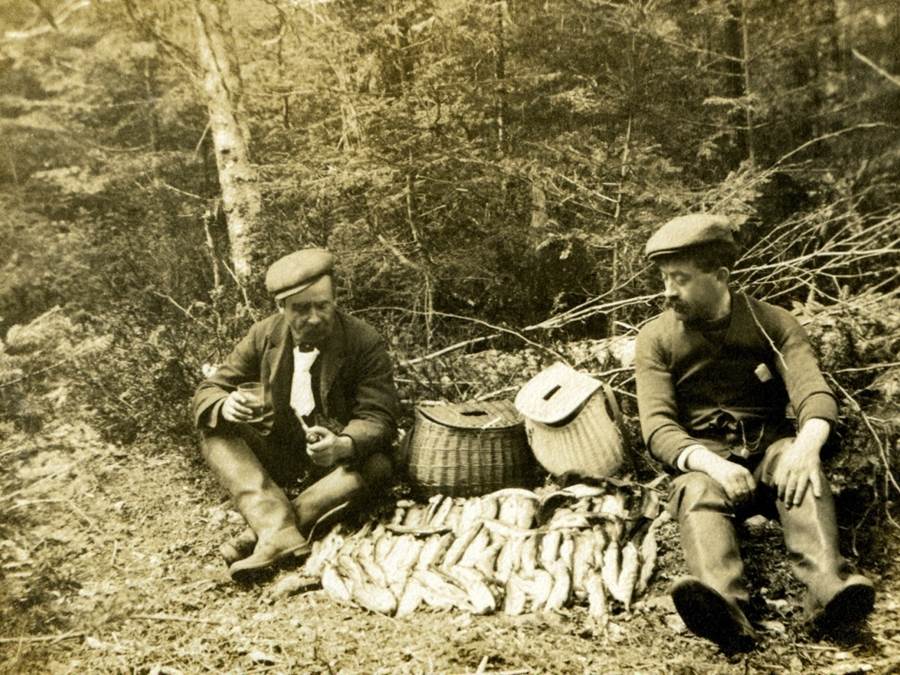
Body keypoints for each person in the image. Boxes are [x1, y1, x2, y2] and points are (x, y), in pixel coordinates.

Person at [634, 214, 874, 651]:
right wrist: (712, 464)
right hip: (706, 466)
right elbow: (657, 426)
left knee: (799, 466)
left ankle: (828, 592)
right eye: (665, 279)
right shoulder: (656, 338)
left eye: (681, 279)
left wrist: (806, 448)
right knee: (695, 491)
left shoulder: (773, 323)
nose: (668, 292)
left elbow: (812, 393)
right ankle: (725, 611)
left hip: (769, 456)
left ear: (721, 276)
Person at [192, 248, 399, 582]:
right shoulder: (263, 335)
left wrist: (343, 443)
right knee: (215, 431)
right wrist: (223, 404)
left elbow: (379, 417)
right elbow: (209, 390)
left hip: (334, 465)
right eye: (301, 309)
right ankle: (277, 529)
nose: (314, 317)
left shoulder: (364, 341)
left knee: (377, 465)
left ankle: (265, 535)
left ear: (335, 299)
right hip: (281, 454)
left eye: (323, 305)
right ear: (281, 308)